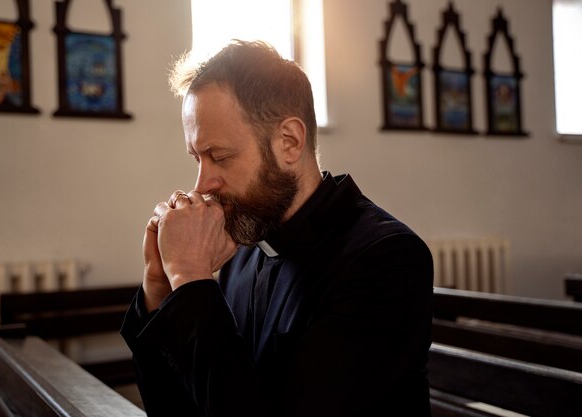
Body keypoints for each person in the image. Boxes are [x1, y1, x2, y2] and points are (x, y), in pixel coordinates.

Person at [121, 40, 433, 417]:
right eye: (197, 158)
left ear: (289, 142)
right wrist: (161, 289)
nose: (202, 184)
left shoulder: (386, 258)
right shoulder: (245, 249)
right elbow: (178, 410)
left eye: (219, 156)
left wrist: (190, 278)